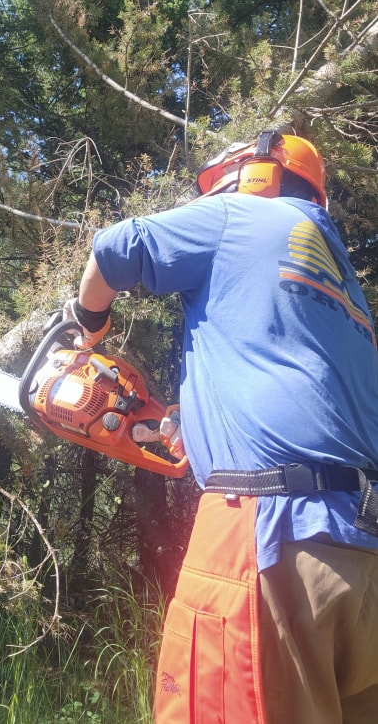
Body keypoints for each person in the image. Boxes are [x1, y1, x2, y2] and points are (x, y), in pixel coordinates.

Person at [64, 130, 378, 723]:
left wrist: (88, 321)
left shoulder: (242, 215)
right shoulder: (347, 290)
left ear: (251, 178)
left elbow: (116, 247)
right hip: (361, 554)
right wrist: (200, 426)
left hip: (268, 531)